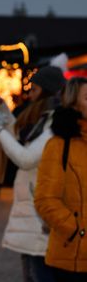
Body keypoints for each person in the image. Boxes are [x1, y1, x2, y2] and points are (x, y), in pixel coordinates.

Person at [0, 66, 66, 282]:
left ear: (47, 91)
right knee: (33, 272)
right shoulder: (45, 117)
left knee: (39, 273)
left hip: (42, 212)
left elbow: (25, 158)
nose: (30, 95)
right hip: (34, 209)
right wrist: (4, 115)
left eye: (35, 89)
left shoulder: (58, 122)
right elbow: (20, 141)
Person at [34, 77, 87, 281]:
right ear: (74, 104)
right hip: (71, 257)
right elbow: (45, 199)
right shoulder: (58, 145)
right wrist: (77, 231)